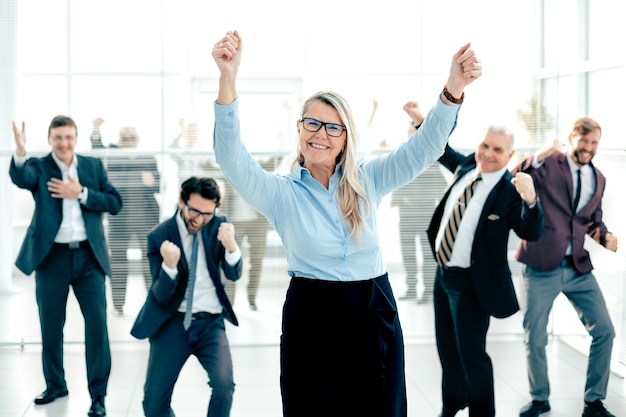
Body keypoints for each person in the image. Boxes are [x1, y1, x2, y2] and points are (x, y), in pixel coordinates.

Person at [212, 30, 482, 417]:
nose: (321, 134)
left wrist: (453, 90)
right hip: (313, 314)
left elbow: (425, 148)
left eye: (333, 127)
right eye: (313, 124)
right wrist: (228, 78)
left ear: (345, 138)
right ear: (300, 129)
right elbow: (231, 157)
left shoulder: (369, 179)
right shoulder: (279, 193)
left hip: (372, 308)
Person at [9, 115, 122, 417]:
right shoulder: (41, 167)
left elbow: (115, 202)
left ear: (76, 138)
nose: (64, 143)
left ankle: (98, 396)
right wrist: (20, 153)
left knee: (97, 327)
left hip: (89, 258)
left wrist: (81, 193)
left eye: (69, 137)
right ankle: (55, 384)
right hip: (52, 258)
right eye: (58, 137)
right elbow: (23, 179)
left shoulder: (92, 167)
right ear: (49, 139)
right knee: (50, 326)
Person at [427, 127, 544, 417]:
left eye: (498, 150)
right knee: (448, 352)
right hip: (443, 276)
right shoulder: (468, 165)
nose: (489, 154)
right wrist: (419, 120)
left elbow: (531, 230)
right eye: (485, 145)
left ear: (510, 155)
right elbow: (443, 151)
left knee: (472, 357)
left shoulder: (509, 190)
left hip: (471, 285)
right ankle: (451, 405)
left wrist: (531, 200)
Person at [513, 118, 618, 417]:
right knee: (535, 337)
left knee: (605, 331)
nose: (588, 148)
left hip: (577, 267)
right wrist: (540, 154)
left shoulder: (598, 178)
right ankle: (539, 398)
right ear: (572, 138)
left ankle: (594, 401)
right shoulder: (550, 163)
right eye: (584, 141)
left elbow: (591, 221)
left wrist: (606, 237)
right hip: (541, 264)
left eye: (594, 143)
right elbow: (517, 175)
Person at [130, 176, 242, 417]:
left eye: (207, 213)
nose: (200, 219)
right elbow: (160, 296)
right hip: (172, 322)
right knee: (153, 404)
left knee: (224, 386)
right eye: (194, 211)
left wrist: (232, 247)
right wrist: (169, 267)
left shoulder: (219, 226)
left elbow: (234, 274)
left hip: (211, 323)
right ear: (181, 201)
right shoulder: (159, 236)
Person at [91, 118, 161, 315]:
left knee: (150, 262)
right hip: (119, 220)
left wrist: (151, 181)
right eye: (124, 138)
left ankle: (153, 303)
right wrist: (96, 130)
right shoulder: (113, 156)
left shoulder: (148, 158)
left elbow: (157, 185)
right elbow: (97, 148)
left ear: (138, 139)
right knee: (119, 264)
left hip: (146, 219)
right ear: (119, 140)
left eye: (131, 138)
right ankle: (118, 306)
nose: (128, 141)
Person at [391, 100, 447, 302]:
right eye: (408, 134)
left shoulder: (430, 161)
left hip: (425, 214)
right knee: (408, 254)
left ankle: (428, 290)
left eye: (413, 133)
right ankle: (412, 288)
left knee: (427, 255)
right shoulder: (402, 158)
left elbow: (441, 189)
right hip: (405, 214)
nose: (410, 137)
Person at [221, 155, 282, 311]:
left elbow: (274, 161)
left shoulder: (258, 170)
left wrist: (282, 141)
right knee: (231, 260)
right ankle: (229, 302)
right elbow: (206, 165)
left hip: (256, 223)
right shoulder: (227, 170)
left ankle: (252, 299)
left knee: (256, 261)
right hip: (234, 222)